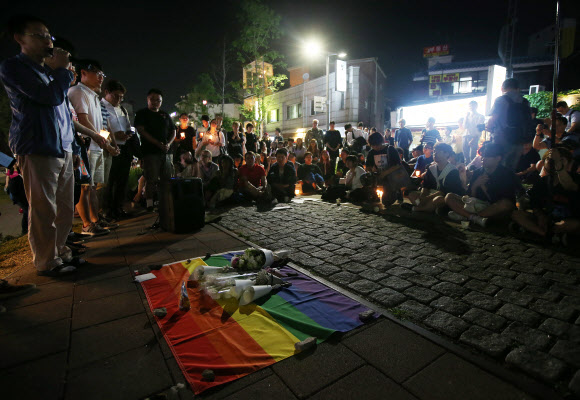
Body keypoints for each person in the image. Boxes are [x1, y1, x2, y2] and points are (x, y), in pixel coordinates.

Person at [0, 15, 84, 276]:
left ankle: (61, 252)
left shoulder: (49, 72)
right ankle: (47, 261)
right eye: (39, 35)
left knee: (65, 206)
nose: (48, 40)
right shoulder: (13, 68)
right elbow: (46, 97)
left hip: (63, 147)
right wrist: (60, 71)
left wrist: (74, 148)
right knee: (44, 207)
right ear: (19, 39)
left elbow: (64, 112)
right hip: (37, 146)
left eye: (49, 35)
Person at [68, 59, 119, 232]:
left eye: (102, 74)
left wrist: (106, 142)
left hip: (97, 145)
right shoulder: (77, 91)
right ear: (83, 73)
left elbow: (99, 124)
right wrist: (99, 139)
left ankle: (96, 219)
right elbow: (83, 120)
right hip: (86, 145)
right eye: (97, 73)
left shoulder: (93, 95)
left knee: (93, 187)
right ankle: (87, 224)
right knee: (84, 187)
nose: (100, 77)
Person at [511, 147, 579, 244]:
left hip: (567, 220)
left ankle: (536, 231)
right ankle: (544, 233)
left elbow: (569, 186)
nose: (554, 162)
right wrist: (540, 215)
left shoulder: (575, 178)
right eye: (550, 160)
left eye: (561, 160)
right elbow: (534, 202)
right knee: (517, 214)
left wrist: (558, 164)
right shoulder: (542, 181)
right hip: (546, 219)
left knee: (574, 225)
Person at [445, 143, 521, 227]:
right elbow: (470, 197)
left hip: (494, 208)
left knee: (505, 204)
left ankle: (467, 216)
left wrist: (484, 188)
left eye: (487, 156)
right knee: (449, 196)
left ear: (498, 158)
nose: (483, 159)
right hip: (477, 205)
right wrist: (475, 186)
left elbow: (505, 201)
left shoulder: (507, 174)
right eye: (483, 156)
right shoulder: (478, 172)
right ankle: (475, 218)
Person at [134, 88, 175, 210]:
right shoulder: (142, 113)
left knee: (167, 179)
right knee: (151, 179)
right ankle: (149, 204)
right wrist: (157, 143)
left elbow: (173, 131)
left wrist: (168, 143)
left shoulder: (165, 115)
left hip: (166, 152)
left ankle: (165, 202)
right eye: (152, 99)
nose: (155, 102)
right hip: (150, 152)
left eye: (158, 100)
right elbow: (141, 130)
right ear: (147, 99)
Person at [101, 79, 133, 220]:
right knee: (109, 181)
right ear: (107, 92)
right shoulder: (101, 107)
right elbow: (99, 129)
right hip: (109, 148)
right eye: (116, 96)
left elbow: (128, 126)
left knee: (122, 180)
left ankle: (118, 208)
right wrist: (113, 135)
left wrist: (127, 133)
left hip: (124, 148)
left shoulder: (122, 109)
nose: (119, 100)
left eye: (121, 97)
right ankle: (107, 211)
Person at [486, 78, 532, 171]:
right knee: (512, 168)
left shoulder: (501, 100)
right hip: (519, 140)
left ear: (502, 88)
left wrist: (489, 128)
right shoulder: (525, 102)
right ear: (517, 88)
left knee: (499, 166)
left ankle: (499, 184)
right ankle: (509, 183)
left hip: (502, 139)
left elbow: (493, 119)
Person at [407, 143, 464, 213]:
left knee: (438, 200)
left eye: (438, 152)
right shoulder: (431, 169)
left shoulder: (452, 170)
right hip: (431, 195)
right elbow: (426, 186)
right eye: (434, 152)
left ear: (447, 154)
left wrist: (426, 198)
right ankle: (428, 208)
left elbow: (444, 192)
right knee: (412, 195)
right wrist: (423, 196)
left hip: (445, 197)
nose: (435, 154)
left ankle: (417, 209)